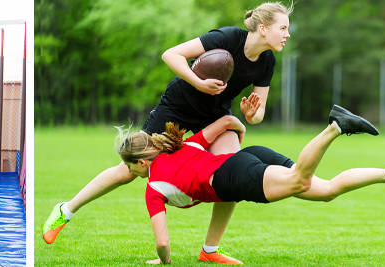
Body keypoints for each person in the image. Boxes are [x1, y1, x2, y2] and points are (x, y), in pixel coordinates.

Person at [42, 3, 291, 264]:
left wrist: (251, 114)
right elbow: (171, 54)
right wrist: (198, 83)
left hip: (215, 112)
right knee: (127, 171)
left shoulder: (267, 61)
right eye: (283, 28)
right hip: (178, 106)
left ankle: (209, 250)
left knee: (233, 173)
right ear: (263, 29)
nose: (287, 34)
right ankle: (66, 210)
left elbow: (258, 112)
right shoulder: (228, 38)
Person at [117, 105, 385, 265]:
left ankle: (335, 127)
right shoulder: (183, 145)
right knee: (326, 191)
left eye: (130, 167)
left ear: (142, 162)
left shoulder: (153, 187)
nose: (131, 174)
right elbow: (223, 124)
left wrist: (164, 262)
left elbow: (162, 243)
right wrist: (241, 129)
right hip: (244, 160)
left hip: (237, 175)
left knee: (299, 179)